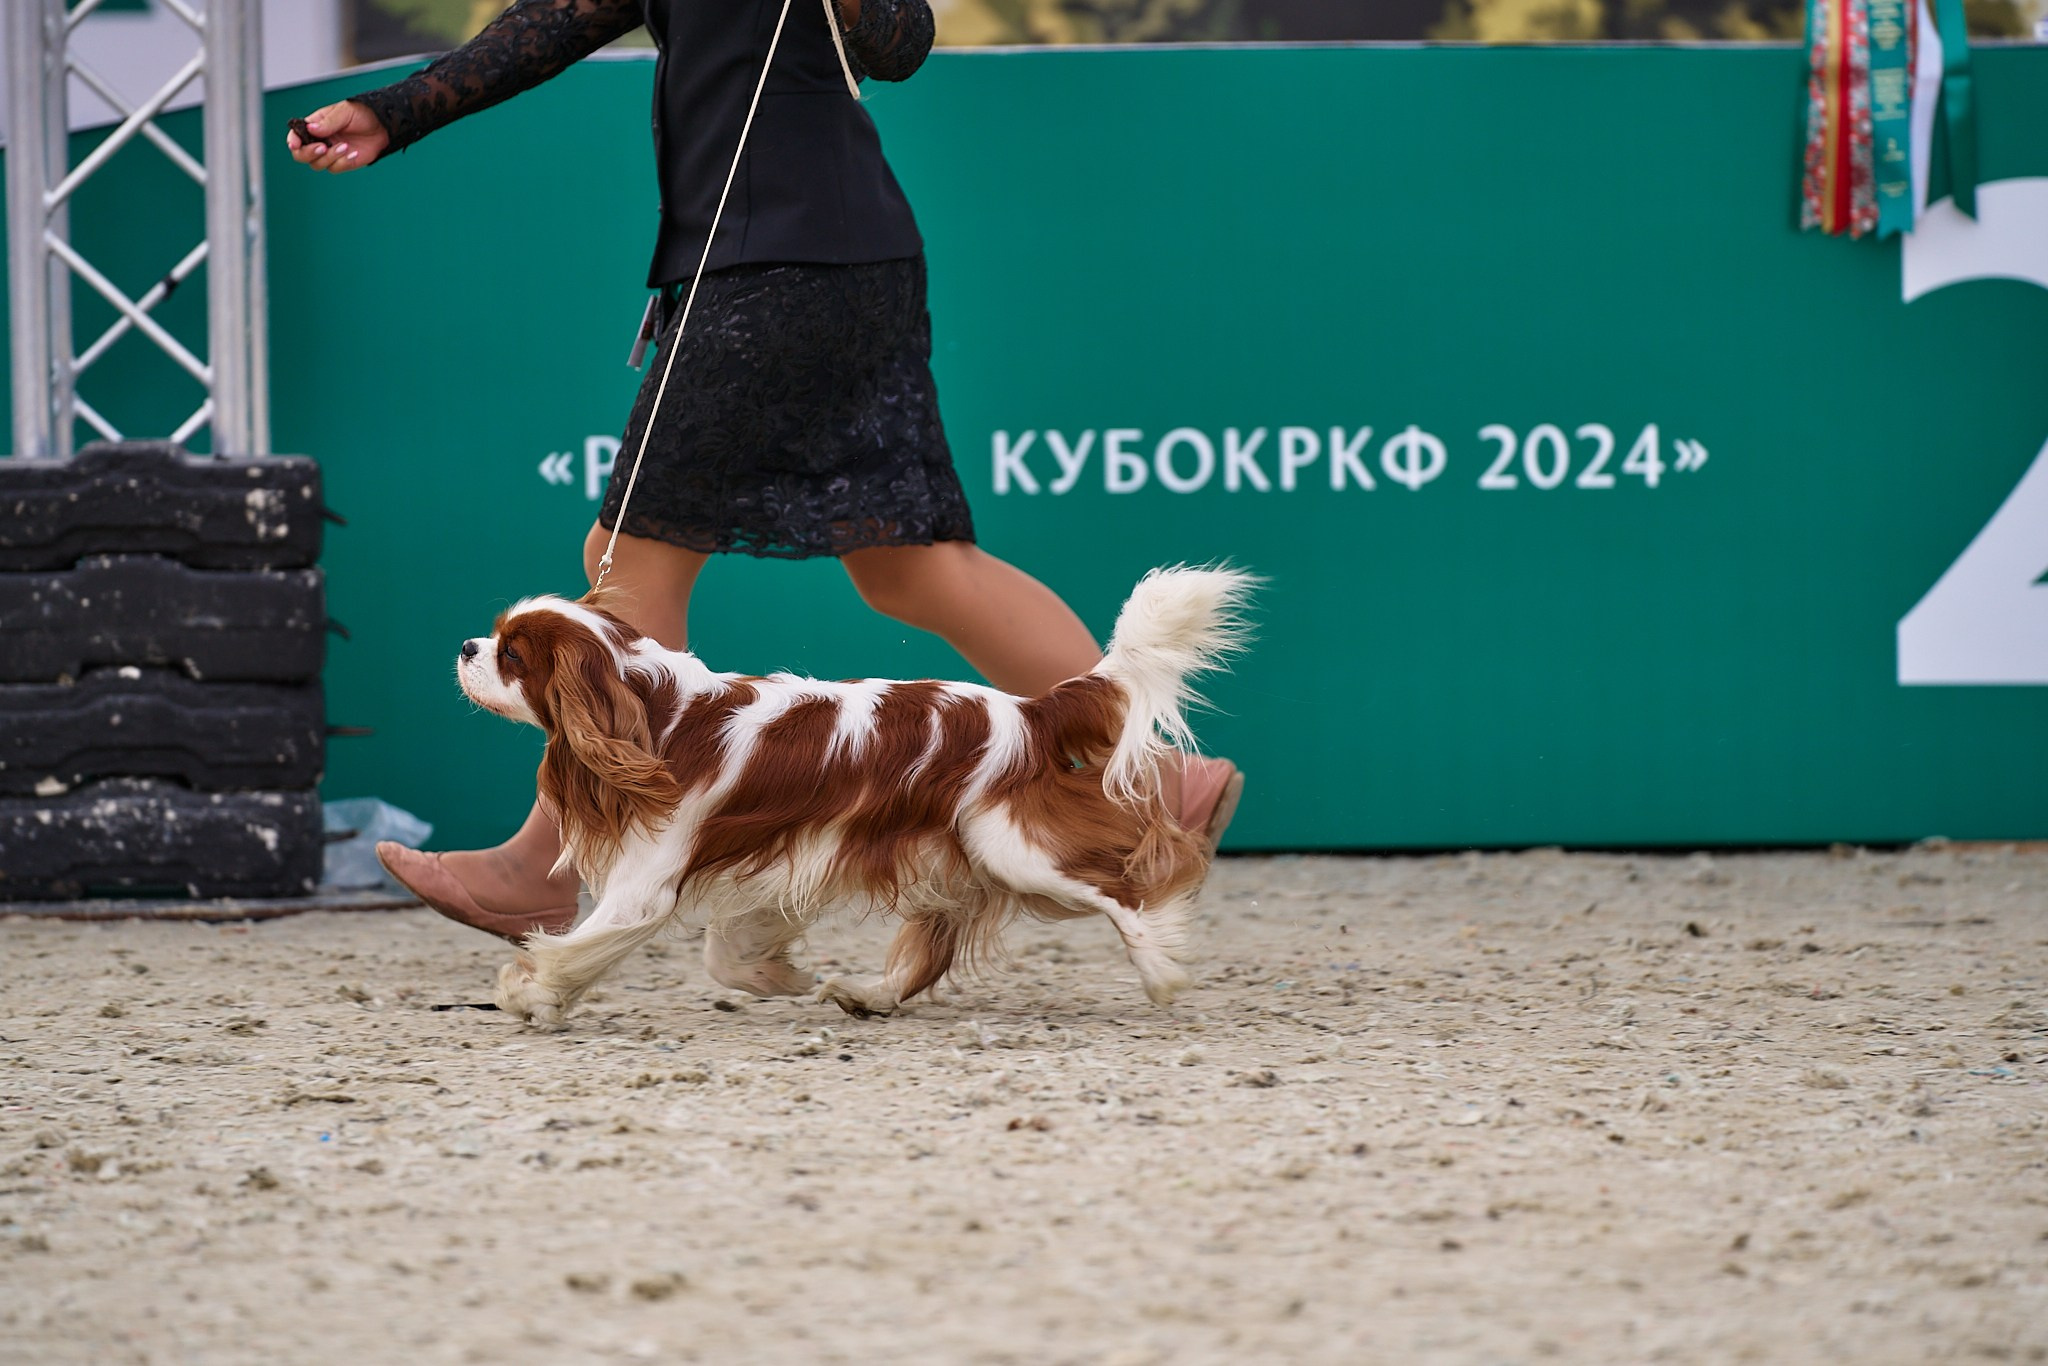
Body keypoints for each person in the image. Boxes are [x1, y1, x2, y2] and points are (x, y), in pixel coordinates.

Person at [288, 0, 1241, 943]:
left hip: (775, 273)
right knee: (912, 568)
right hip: (831, 265)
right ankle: (1161, 780)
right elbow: (551, 22)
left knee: (632, 559)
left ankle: (540, 868)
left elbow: (900, 40)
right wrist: (398, 110)